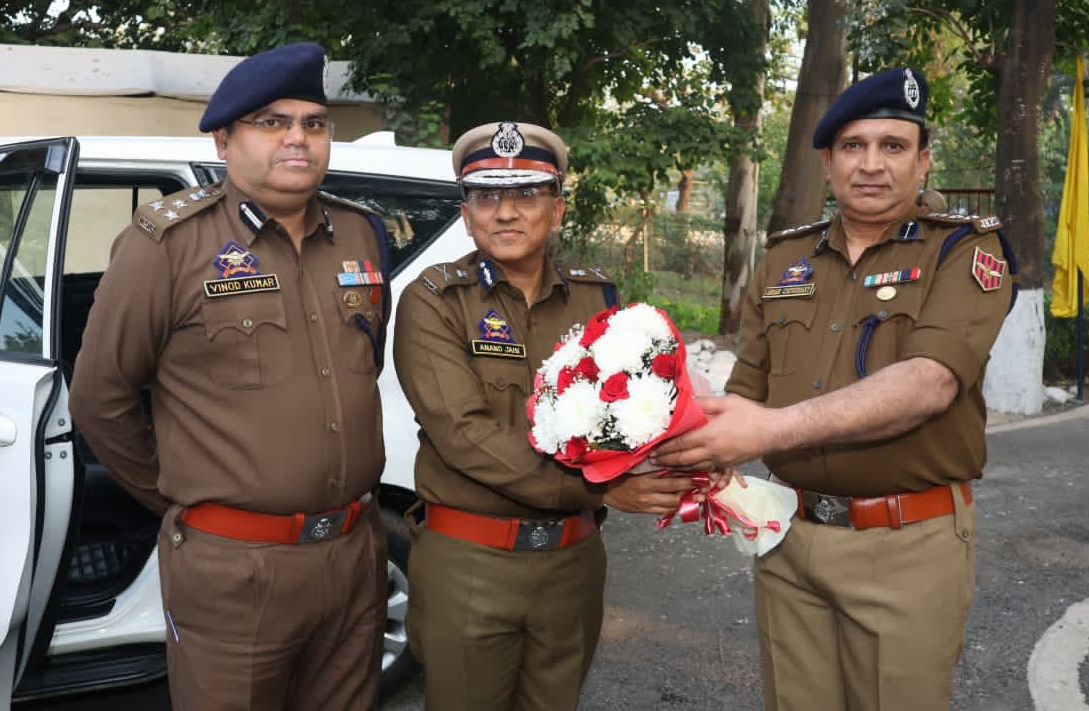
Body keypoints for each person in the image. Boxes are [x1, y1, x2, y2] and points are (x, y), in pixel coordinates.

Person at [653, 67, 1015, 711]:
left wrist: (769, 429)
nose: (871, 164)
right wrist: (654, 428)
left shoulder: (962, 251)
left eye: (893, 145)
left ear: (923, 161)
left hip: (905, 545)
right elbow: (745, 395)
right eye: (853, 146)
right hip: (787, 539)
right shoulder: (783, 259)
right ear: (828, 162)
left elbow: (928, 382)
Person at [69, 42, 391, 711]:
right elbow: (99, 397)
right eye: (272, 122)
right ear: (223, 139)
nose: (297, 138)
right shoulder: (168, 244)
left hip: (355, 553)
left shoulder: (361, 234)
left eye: (313, 123)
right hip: (233, 570)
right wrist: (185, 500)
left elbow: (364, 365)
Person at [393, 121, 696, 711]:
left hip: (572, 563)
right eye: (487, 196)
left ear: (557, 210)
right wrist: (603, 488)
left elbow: (642, 409)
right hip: (471, 563)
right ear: (466, 214)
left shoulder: (599, 299)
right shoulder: (434, 300)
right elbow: (464, 435)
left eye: (526, 194)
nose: (506, 212)